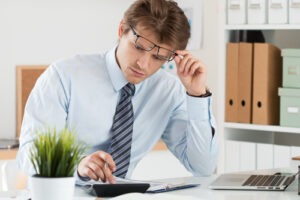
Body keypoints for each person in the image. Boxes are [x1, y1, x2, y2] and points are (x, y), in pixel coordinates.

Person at [17, 0, 218, 184]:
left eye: (158, 58)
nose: (143, 63)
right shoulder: (63, 76)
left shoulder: (167, 92)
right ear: (121, 29)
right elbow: (30, 154)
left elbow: (203, 167)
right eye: (138, 47)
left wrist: (197, 95)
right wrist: (76, 166)